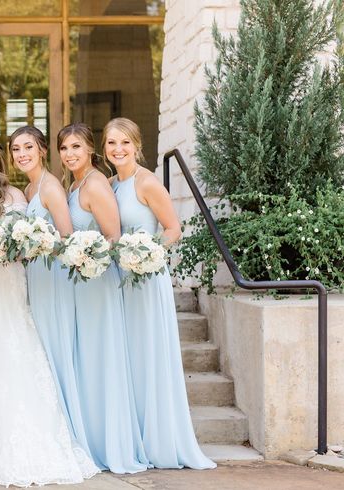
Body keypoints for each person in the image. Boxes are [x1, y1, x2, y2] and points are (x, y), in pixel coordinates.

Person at [0, 133, 98, 486]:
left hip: (5, 287)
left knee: (9, 355)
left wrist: (3, 251)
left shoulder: (16, 196)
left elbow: (33, 241)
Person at [106, 117, 216, 470]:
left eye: (124, 142)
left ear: (137, 145)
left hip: (145, 279)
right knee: (125, 359)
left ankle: (159, 440)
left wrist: (147, 252)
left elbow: (172, 229)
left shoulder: (147, 182)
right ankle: (131, 436)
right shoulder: (109, 184)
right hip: (116, 280)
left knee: (147, 355)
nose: (117, 150)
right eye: (111, 143)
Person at [59, 123, 148, 474]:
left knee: (100, 363)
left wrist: (85, 254)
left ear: (91, 149)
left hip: (98, 284)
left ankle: (109, 446)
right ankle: (92, 442)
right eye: (64, 148)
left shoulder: (95, 183)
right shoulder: (79, 182)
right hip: (83, 285)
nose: (70, 154)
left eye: (76, 147)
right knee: (89, 364)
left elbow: (112, 237)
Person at [8, 126, 89, 453]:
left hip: (53, 277)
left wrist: (37, 244)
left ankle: (69, 432)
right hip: (36, 277)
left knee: (54, 350)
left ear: (42, 150)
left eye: (28, 147)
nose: (22, 154)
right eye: (16, 149)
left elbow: (67, 238)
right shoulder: (29, 187)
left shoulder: (51, 187)